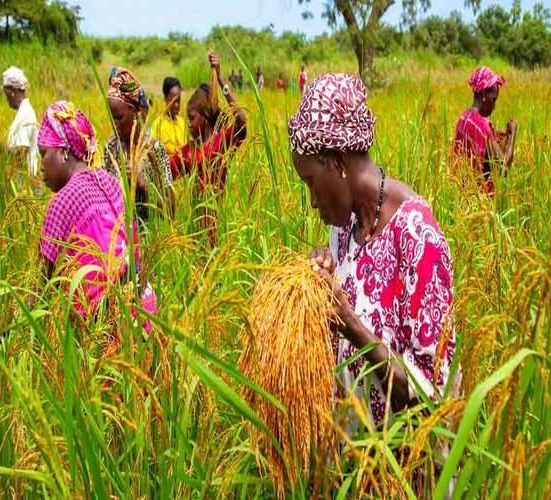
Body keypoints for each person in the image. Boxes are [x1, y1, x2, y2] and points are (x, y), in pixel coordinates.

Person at [288, 74, 459, 433]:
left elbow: (433, 396)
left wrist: (349, 323)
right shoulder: (345, 228)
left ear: (337, 161)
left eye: (310, 183)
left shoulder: (416, 236)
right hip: (356, 466)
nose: (313, 201)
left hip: (405, 475)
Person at [36, 101, 157, 333]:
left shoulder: (62, 202)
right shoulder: (109, 181)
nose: (41, 166)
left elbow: (38, 290)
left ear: (63, 152)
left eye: (44, 154)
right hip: (143, 306)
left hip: (109, 323)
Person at [170, 52, 247, 247]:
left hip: (219, 226)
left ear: (205, 117)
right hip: (197, 229)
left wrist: (221, 81)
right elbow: (167, 170)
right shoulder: (190, 151)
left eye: (192, 118)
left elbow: (241, 119)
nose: (188, 124)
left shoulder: (223, 141)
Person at [103, 67, 173, 223]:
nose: (114, 125)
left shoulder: (155, 149)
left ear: (135, 113)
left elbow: (171, 209)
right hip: (118, 241)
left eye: (119, 118)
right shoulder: (111, 147)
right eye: (112, 118)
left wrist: (141, 182)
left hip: (150, 242)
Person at [453, 66, 517, 196]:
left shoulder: (463, 117)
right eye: (493, 99)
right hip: (479, 199)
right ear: (483, 95)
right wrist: (513, 134)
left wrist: (495, 135)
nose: (494, 107)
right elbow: (504, 167)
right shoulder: (483, 125)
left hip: (462, 192)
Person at [2, 66, 39, 178]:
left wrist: (2, 150)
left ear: (12, 93)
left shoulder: (25, 114)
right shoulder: (23, 112)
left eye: (6, 94)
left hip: (26, 181)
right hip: (22, 179)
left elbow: (21, 151)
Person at [151, 76, 188, 156]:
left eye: (178, 101)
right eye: (173, 101)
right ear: (165, 98)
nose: (176, 105)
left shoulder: (181, 122)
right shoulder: (158, 124)